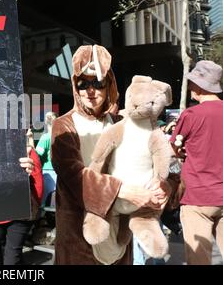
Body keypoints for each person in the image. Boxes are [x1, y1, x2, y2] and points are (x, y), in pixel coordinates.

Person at [50, 44, 169, 265]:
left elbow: (148, 160)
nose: (90, 90)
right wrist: (123, 191)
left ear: (109, 84)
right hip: (79, 237)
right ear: (76, 87)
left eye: (97, 82)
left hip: (119, 239)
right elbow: (75, 176)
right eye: (83, 83)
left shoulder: (121, 124)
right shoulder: (63, 126)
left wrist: (162, 186)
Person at [169, 60, 223, 265]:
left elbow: (172, 149)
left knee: (199, 260)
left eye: (192, 82)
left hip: (197, 196)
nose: (190, 86)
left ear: (200, 86)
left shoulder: (191, 114)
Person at [0, 130, 44, 265]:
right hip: (16, 211)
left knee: (8, 254)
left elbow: (38, 182)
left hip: (13, 213)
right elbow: (39, 185)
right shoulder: (28, 151)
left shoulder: (27, 152)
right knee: (12, 253)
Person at [35, 112, 57, 207]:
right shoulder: (62, 136)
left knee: (44, 203)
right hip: (58, 173)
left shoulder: (45, 138)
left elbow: (37, 156)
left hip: (48, 174)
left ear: (45, 122)